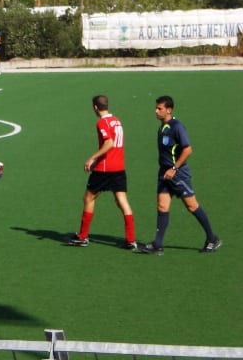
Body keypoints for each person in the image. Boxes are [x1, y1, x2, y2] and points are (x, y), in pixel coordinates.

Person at [139, 95, 221, 255]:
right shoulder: (163, 127)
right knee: (162, 206)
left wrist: (174, 168)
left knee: (192, 206)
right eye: (156, 108)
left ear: (169, 110)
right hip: (164, 173)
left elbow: (188, 149)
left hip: (178, 174)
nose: (156, 111)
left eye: (159, 108)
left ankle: (212, 238)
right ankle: (158, 244)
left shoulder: (177, 127)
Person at [67, 95, 136, 249]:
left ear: (95, 107)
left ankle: (83, 236)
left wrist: (93, 158)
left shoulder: (102, 122)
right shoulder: (117, 121)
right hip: (119, 167)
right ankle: (131, 240)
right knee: (122, 201)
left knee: (88, 198)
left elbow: (109, 143)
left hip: (105, 168)